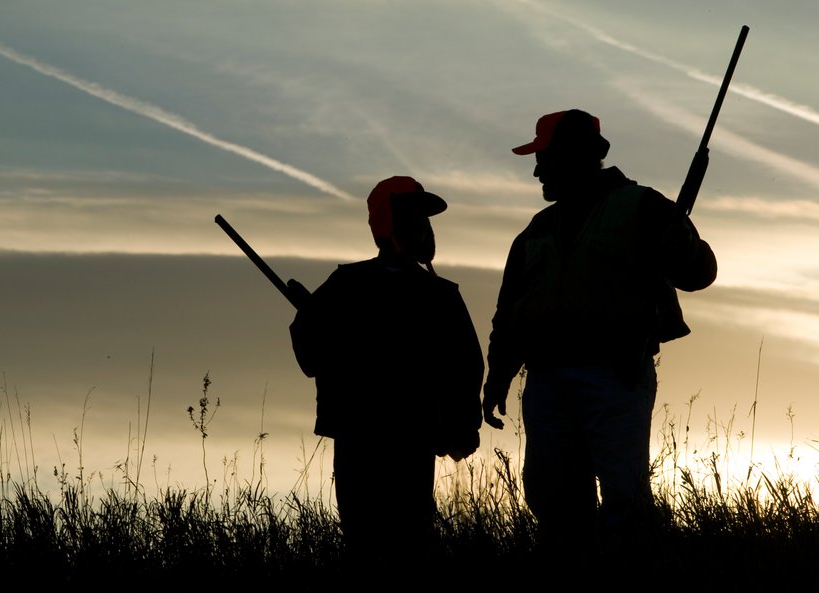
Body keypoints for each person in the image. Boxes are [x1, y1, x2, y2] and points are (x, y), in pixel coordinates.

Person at [481, 109, 718, 571]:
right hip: (547, 382)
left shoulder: (643, 207)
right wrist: (498, 378)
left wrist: (681, 244)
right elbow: (510, 315)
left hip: (616, 375)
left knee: (624, 496)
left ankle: (629, 579)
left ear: (575, 156)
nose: (536, 170)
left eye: (544, 158)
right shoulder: (535, 231)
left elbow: (700, 274)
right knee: (552, 499)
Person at [288, 175, 485, 584]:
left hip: (412, 437)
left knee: (410, 544)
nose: (424, 228)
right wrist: (310, 322)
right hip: (360, 435)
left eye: (425, 220)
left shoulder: (440, 294)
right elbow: (312, 358)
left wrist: (463, 425)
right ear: (387, 223)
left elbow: (466, 365)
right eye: (414, 217)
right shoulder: (346, 284)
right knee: (361, 541)